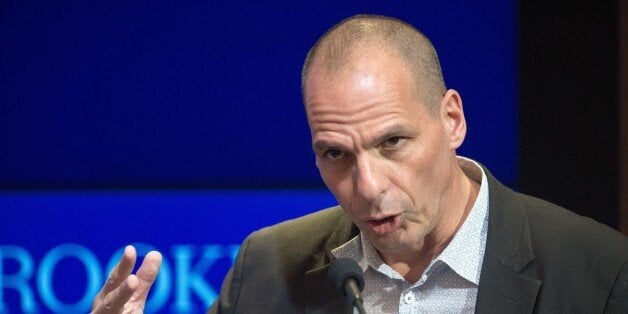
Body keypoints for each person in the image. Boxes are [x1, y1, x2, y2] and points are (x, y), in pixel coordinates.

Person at [92, 15, 628, 313]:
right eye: (335, 154)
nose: (367, 187)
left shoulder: (597, 272)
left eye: (392, 141)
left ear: (452, 120)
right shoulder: (268, 270)